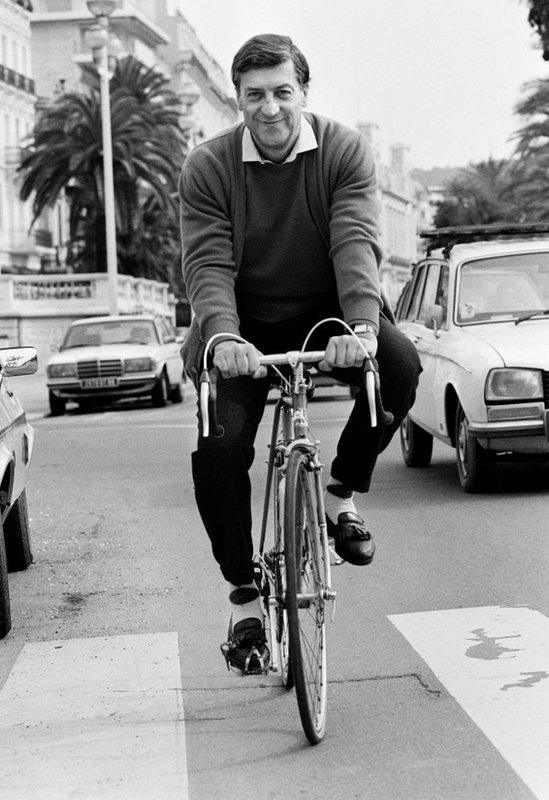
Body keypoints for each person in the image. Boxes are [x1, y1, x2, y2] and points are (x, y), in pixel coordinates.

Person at [179, 34, 421, 675]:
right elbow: (206, 262)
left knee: (398, 366)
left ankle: (341, 493)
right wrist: (224, 338)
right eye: (254, 95)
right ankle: (243, 595)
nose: (269, 108)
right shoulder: (208, 166)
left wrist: (363, 328)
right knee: (219, 448)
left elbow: (355, 241)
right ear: (237, 99)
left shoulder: (341, 149)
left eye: (283, 92)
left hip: (331, 310)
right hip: (241, 325)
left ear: (303, 93)